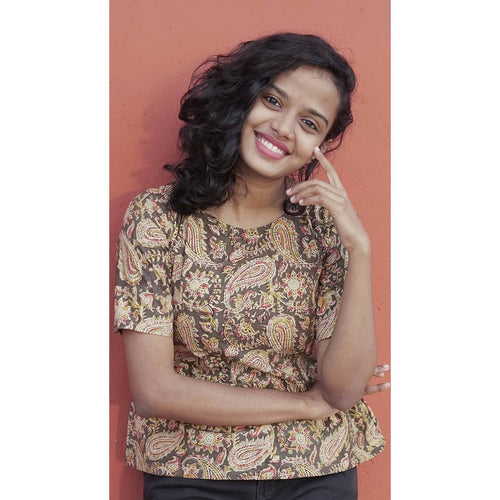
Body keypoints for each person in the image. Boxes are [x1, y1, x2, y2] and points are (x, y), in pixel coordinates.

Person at [114, 32, 389, 500]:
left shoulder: (324, 230)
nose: (283, 127)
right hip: (188, 466)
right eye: (272, 100)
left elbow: (342, 391)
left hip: (315, 467)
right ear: (240, 98)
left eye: (309, 123)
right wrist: (305, 405)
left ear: (321, 145)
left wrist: (359, 249)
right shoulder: (157, 218)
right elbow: (155, 391)